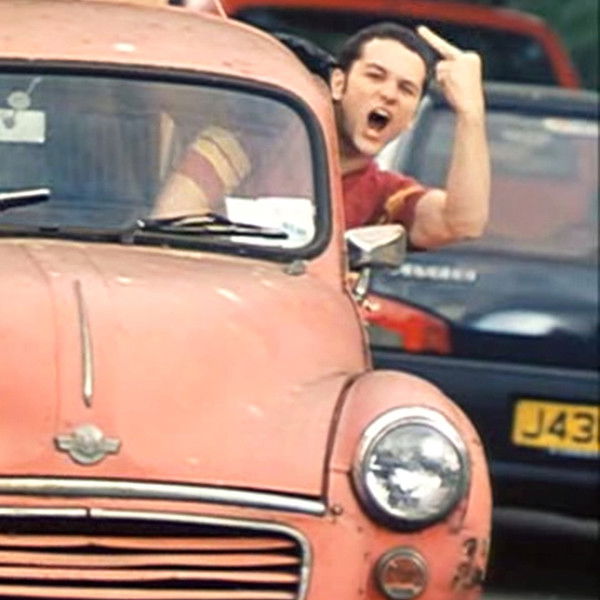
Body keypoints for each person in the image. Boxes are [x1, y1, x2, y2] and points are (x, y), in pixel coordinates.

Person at [329, 22, 490, 249]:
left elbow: (462, 223)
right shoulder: (277, 146)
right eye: (375, 76)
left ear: (412, 117)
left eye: (406, 89)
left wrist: (471, 112)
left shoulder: (385, 197)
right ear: (338, 83)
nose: (389, 94)